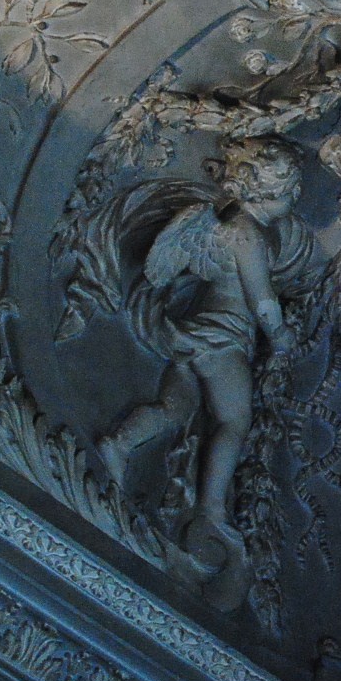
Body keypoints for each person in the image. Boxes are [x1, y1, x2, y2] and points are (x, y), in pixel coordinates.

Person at [98, 136, 313, 609]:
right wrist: (280, 337)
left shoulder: (225, 224)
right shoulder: (248, 234)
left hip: (195, 334)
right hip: (223, 341)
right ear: (262, 191)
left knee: (175, 407)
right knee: (235, 421)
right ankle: (211, 510)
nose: (295, 198)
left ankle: (121, 443)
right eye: (288, 191)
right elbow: (262, 300)